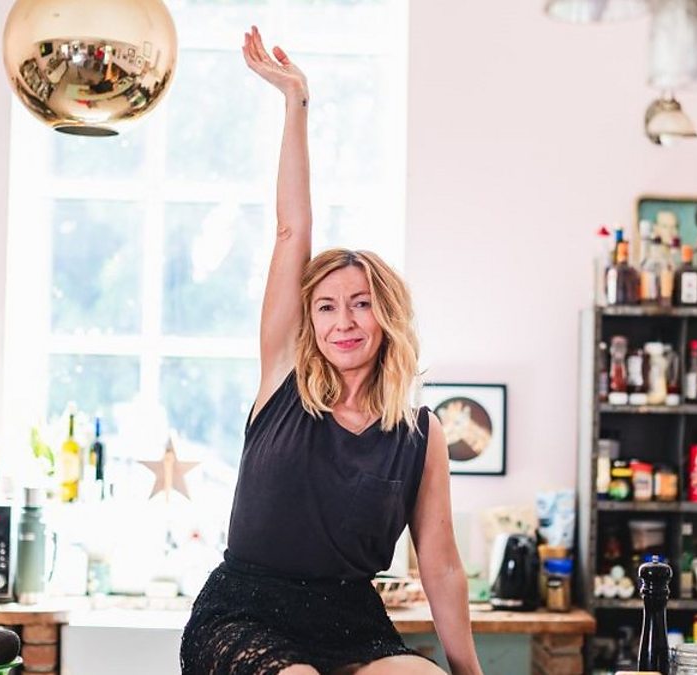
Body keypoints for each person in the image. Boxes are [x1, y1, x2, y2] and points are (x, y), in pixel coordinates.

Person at [179, 27, 483, 675]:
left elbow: (442, 564)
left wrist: (469, 672)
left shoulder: (420, 434)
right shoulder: (282, 377)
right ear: (310, 321)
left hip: (350, 618)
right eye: (326, 306)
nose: (343, 320)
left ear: (386, 316)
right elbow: (292, 230)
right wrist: (296, 102)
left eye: (361, 303)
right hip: (245, 611)